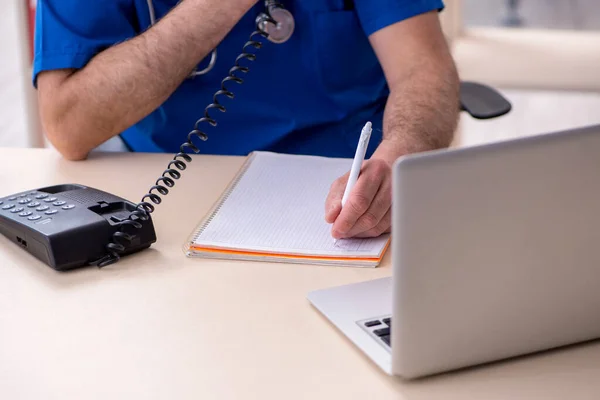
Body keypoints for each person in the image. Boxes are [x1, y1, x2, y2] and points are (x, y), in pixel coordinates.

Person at [33, 0, 460, 240]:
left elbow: (423, 69)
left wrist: (402, 153)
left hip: (349, 196)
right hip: (173, 197)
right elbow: (69, 126)